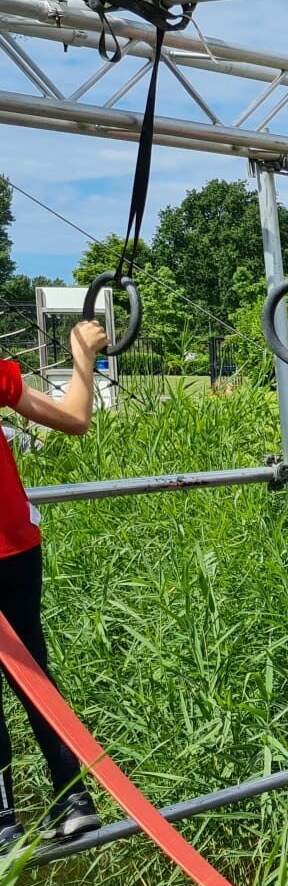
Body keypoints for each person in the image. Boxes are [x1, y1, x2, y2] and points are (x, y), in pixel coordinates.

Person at [0, 320, 110, 849]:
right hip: (16, 547)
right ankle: (72, 799)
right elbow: (74, 418)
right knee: (33, 675)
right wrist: (82, 354)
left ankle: (2, 820)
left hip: (12, 546)